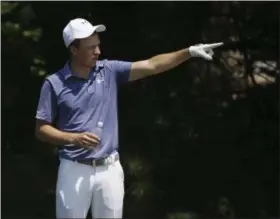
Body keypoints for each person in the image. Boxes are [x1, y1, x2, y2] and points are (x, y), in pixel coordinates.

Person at [35, 18, 223, 219]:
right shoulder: (54, 84)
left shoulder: (108, 71)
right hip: (73, 169)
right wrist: (73, 138)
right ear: (73, 49)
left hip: (110, 170)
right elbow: (41, 129)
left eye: (98, 45)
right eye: (91, 48)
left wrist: (189, 52)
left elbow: (152, 65)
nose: (98, 52)